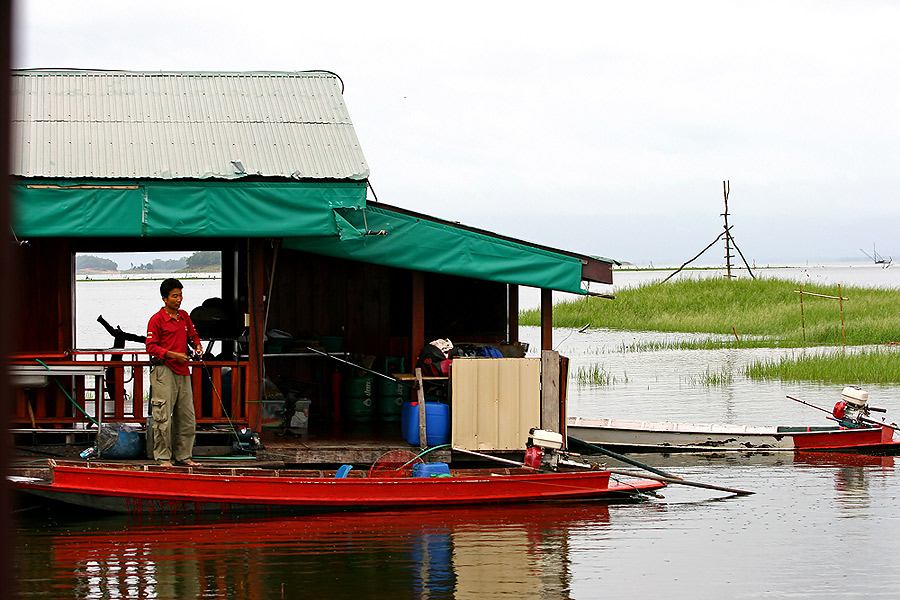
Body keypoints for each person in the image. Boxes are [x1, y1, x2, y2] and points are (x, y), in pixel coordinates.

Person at [146, 278, 203, 467]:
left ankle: (184, 456)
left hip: (183, 371)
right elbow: (151, 347)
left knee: (187, 416)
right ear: (165, 298)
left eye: (180, 295)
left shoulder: (184, 316)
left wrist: (197, 346)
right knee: (163, 416)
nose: (179, 300)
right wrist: (173, 355)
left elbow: (193, 335)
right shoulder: (156, 319)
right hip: (164, 370)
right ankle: (163, 458)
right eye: (174, 296)